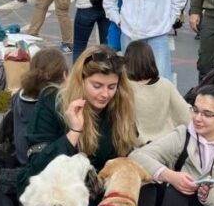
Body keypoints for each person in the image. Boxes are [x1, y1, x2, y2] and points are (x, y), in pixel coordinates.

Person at [17, 46, 137, 194]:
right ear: (80, 81)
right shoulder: (52, 102)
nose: (105, 94)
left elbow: (128, 154)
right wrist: (74, 132)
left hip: (104, 189)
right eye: (97, 86)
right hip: (62, 194)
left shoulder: (119, 105)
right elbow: (34, 174)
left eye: (112, 87)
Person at [124, 40, 190, 145]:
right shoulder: (166, 84)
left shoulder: (124, 87)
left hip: (138, 145)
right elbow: (185, 115)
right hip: (167, 143)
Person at [10, 48, 68, 165]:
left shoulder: (18, 94)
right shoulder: (56, 104)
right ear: (64, 75)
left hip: (21, 157)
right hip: (40, 164)